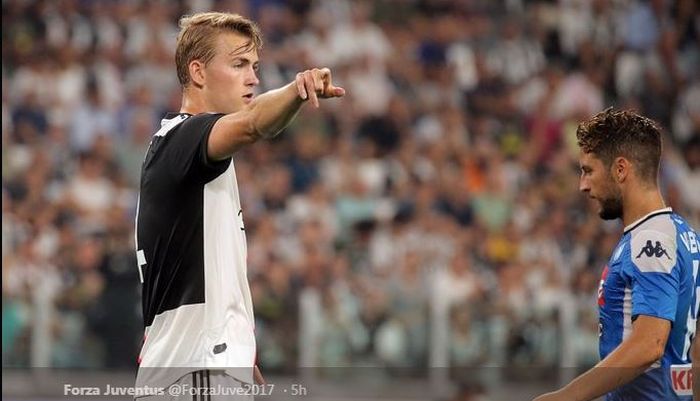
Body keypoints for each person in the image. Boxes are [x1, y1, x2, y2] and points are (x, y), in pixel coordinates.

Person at [133, 12, 344, 400]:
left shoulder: (183, 153)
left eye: (255, 67)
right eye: (239, 64)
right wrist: (298, 89)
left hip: (201, 365)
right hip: (197, 368)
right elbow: (251, 123)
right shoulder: (183, 139)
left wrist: (240, 348)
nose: (253, 78)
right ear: (198, 72)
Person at [533, 108, 699, 401]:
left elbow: (650, 343)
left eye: (588, 170)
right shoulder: (684, 235)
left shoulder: (651, 239)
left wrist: (565, 397)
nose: (582, 185)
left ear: (621, 169)